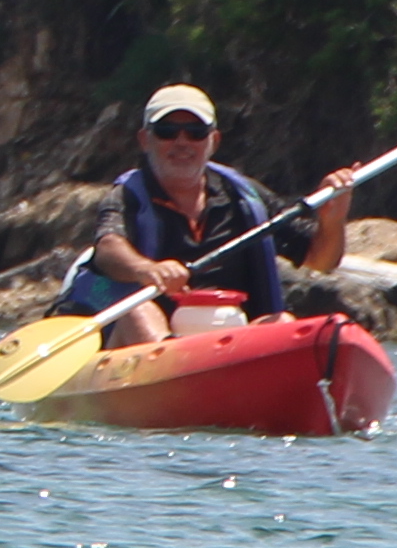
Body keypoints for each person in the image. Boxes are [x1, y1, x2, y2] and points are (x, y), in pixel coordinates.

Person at [63, 83, 354, 351]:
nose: (182, 142)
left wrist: (332, 221)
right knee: (137, 311)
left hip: (229, 342)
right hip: (146, 346)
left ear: (213, 141)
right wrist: (146, 269)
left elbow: (321, 260)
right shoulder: (127, 196)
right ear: (145, 140)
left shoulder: (244, 196)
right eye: (167, 131)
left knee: (282, 323)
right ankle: (174, 372)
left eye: (195, 132)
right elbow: (108, 248)